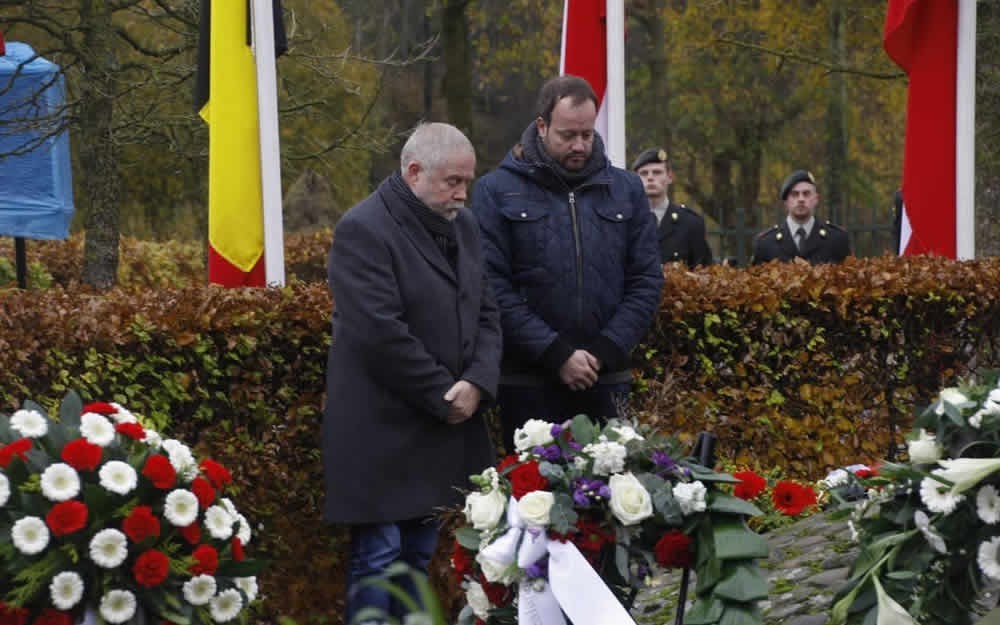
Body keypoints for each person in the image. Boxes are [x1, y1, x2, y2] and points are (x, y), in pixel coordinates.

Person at [321, 123, 501, 624]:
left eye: (467, 182)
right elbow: (378, 332)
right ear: (414, 172)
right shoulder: (363, 229)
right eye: (453, 182)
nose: (463, 194)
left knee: (418, 558)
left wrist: (478, 382)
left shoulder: (464, 226)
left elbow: (487, 311)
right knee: (377, 559)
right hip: (382, 430)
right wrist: (444, 393)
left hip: (440, 428)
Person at [471, 75, 663, 450]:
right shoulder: (496, 191)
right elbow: (492, 285)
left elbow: (645, 280)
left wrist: (603, 351)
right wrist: (556, 353)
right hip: (528, 383)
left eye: (587, 134)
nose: (579, 145)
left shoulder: (626, 189)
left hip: (605, 379)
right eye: (567, 135)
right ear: (542, 126)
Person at [632, 147, 714, 267]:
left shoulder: (691, 223)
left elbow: (703, 272)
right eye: (644, 173)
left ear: (670, 177)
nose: (650, 178)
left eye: (657, 172)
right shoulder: (625, 221)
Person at [751, 169, 851, 265]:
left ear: (816, 199)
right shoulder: (766, 243)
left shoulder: (836, 239)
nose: (801, 199)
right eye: (794, 194)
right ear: (786, 202)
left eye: (806, 194)